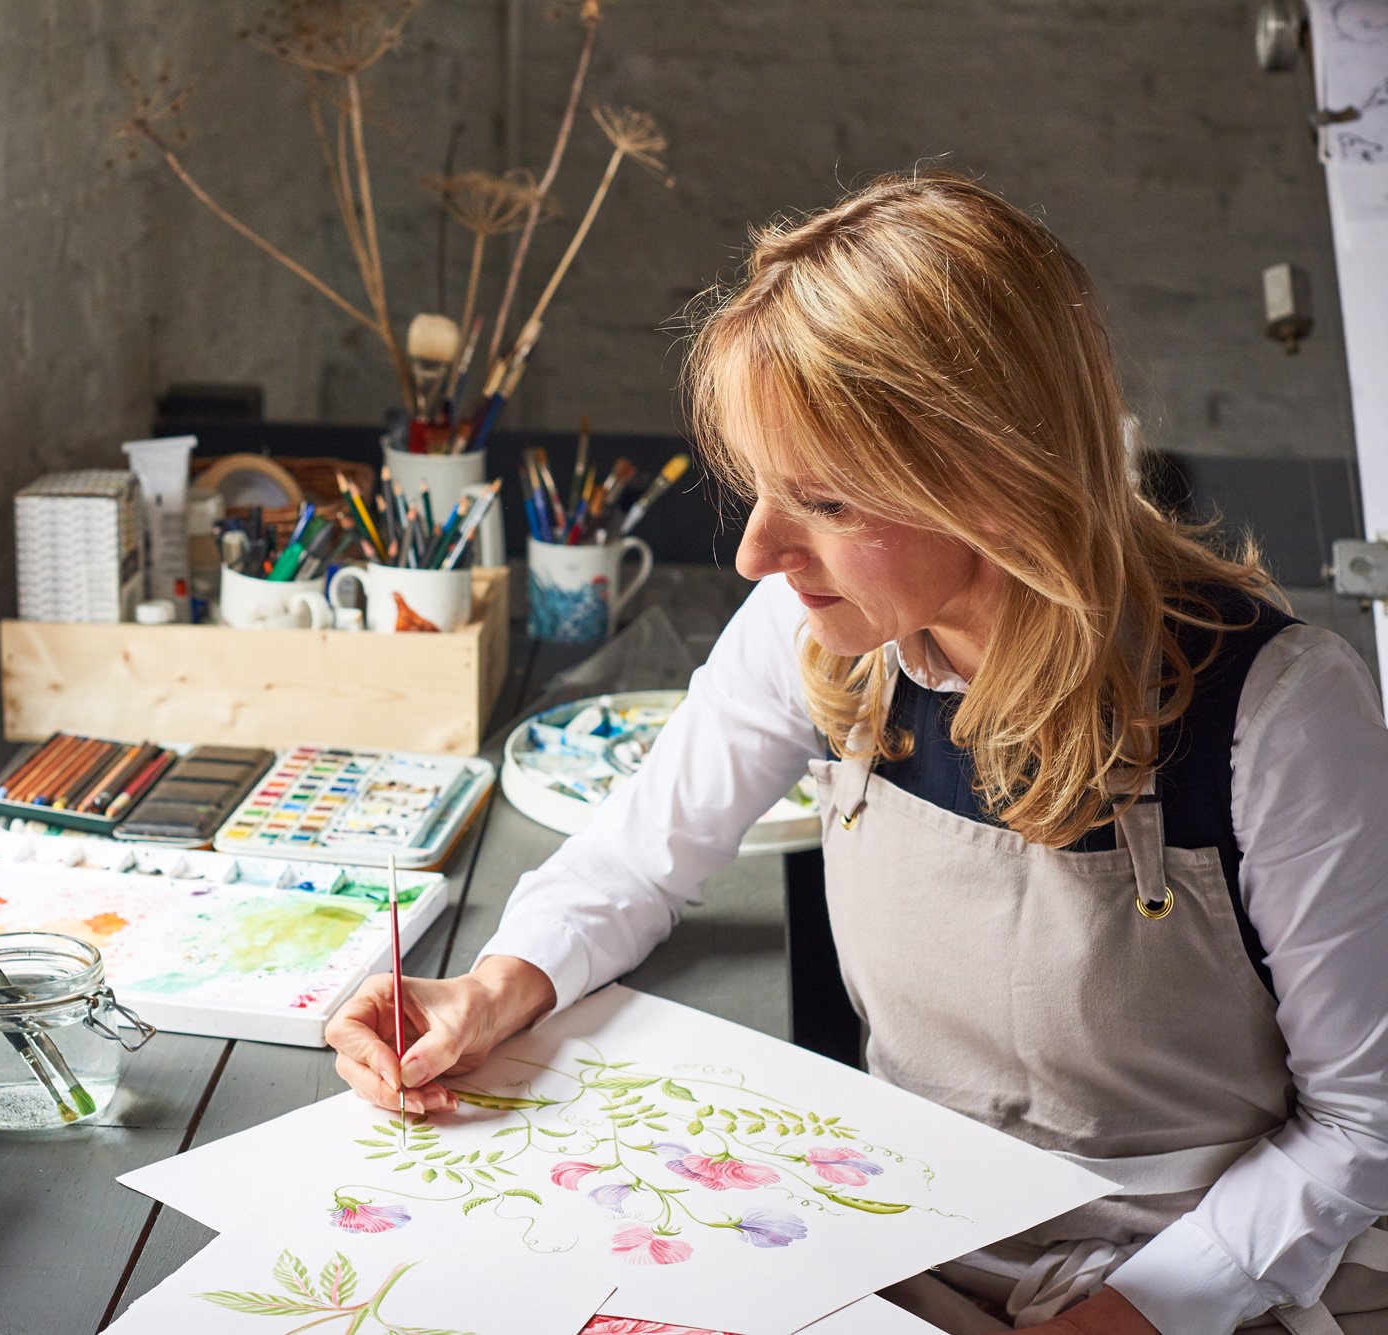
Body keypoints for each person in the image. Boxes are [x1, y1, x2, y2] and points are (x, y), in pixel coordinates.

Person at [326, 171, 1388, 1334]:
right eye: (759, 491)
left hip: (1204, 1275)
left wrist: (1138, 1312)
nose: (756, 553)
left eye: (824, 502)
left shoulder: (1279, 711)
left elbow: (1359, 1127)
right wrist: (489, 990)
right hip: (897, 1234)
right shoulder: (813, 630)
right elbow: (633, 863)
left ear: (996, 479)